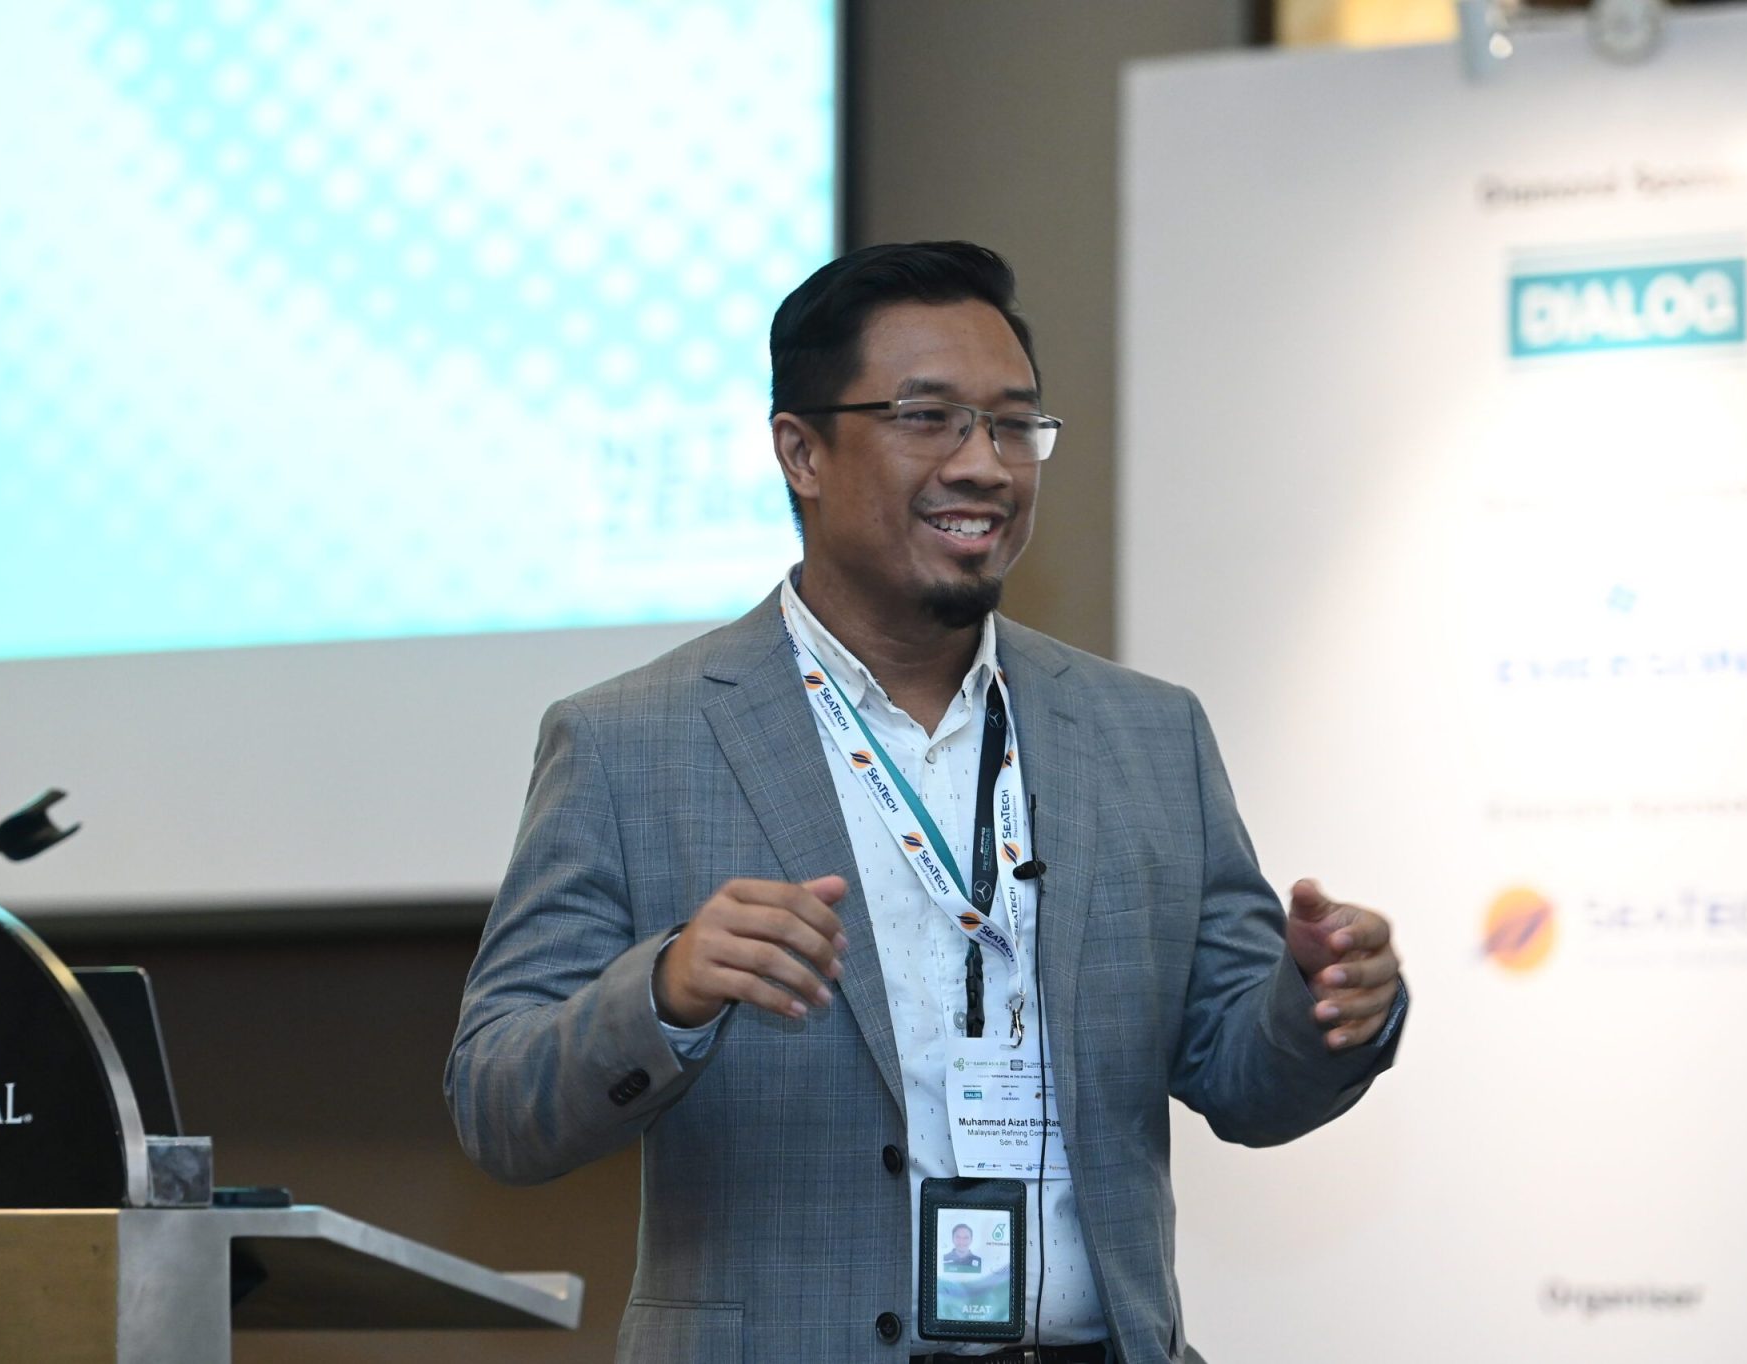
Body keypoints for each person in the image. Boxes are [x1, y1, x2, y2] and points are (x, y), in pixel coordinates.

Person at [446, 241, 1406, 1363]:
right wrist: (666, 989)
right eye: (930, 419)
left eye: (1013, 425)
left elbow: (1246, 1078)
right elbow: (498, 1101)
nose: (985, 464)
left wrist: (1321, 1000)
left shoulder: (1148, 735)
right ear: (801, 450)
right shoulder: (630, 741)